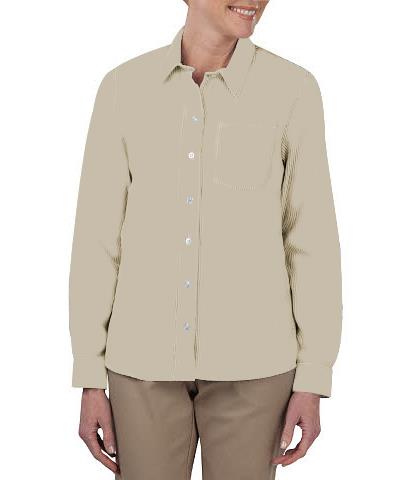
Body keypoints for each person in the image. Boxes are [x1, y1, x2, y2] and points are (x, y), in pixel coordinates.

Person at [69, 1, 343, 478]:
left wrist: (314, 375)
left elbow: (311, 239)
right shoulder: (122, 90)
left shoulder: (293, 91)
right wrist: (90, 377)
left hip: (256, 369)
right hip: (141, 367)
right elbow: (97, 240)